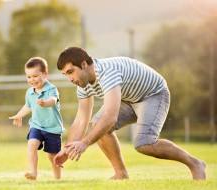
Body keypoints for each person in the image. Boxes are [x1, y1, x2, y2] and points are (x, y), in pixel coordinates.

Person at [53, 46, 206, 180]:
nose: (69, 79)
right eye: (65, 74)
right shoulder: (82, 84)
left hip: (153, 94)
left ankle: (195, 163)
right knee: (96, 125)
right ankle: (121, 174)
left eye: (70, 72)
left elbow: (110, 117)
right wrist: (67, 149)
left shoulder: (107, 73)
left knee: (144, 144)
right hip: (128, 99)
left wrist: (85, 143)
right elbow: (81, 120)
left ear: (84, 64)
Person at [9, 57, 65, 180]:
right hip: (37, 126)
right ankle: (33, 173)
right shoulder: (29, 92)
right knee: (32, 144)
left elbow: (53, 100)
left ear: (45, 74)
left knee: (52, 156)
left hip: (53, 128)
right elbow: (28, 106)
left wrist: (45, 103)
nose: (32, 80)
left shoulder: (51, 89)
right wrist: (19, 115)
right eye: (28, 77)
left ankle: (57, 178)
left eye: (35, 76)